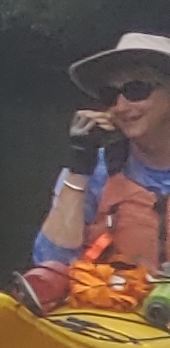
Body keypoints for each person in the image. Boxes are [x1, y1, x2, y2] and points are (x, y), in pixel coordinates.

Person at [27, 31, 170, 313]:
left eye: (136, 91)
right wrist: (80, 165)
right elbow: (51, 263)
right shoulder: (95, 168)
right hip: (111, 325)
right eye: (110, 95)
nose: (121, 106)